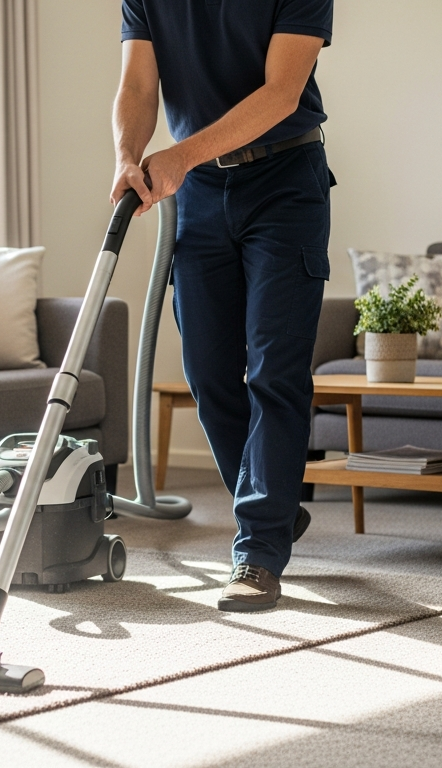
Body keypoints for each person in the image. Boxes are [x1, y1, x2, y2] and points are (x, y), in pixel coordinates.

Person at [112, 0, 335, 612]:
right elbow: (137, 82)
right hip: (201, 194)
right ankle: (276, 510)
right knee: (208, 373)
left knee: (273, 370)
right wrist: (129, 157)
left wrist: (180, 155)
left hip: (285, 182)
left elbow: (281, 94)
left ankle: (259, 551)